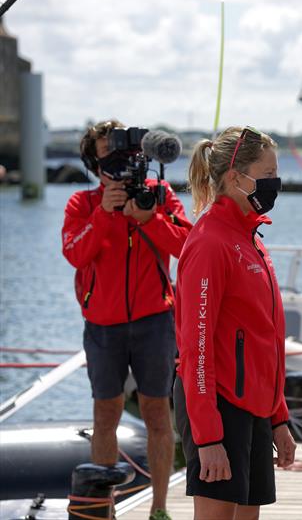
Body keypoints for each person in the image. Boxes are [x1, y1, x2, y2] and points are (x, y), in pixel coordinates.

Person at [62, 119, 192, 520]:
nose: (117, 164)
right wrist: (104, 214)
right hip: (103, 324)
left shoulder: (159, 194)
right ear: (94, 163)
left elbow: (187, 247)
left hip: (155, 320)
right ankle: (104, 507)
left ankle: (158, 507)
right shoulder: (81, 204)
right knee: (106, 413)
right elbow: (74, 254)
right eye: (107, 156)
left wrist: (149, 219)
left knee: (157, 411)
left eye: (122, 154)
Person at [175, 126, 296, 519]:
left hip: (256, 407)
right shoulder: (210, 242)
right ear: (235, 178)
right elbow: (196, 346)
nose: (274, 183)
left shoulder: (251, 239)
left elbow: (268, 338)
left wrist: (279, 418)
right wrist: (208, 436)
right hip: (218, 405)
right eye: (267, 174)